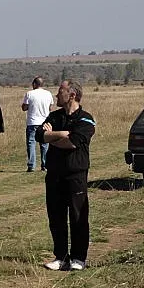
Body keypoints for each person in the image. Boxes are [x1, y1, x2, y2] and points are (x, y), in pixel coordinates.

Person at [36, 81, 95, 271]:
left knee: (78, 216)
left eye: (60, 91)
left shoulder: (86, 119)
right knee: (56, 216)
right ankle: (60, 257)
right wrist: (60, 133)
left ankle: (78, 257)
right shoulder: (54, 116)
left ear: (72, 95)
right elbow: (39, 135)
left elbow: (74, 142)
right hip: (54, 174)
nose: (56, 94)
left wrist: (51, 137)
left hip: (75, 174)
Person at [22, 76, 55, 171]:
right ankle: (45, 165)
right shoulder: (48, 94)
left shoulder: (29, 94)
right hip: (44, 122)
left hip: (32, 122)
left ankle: (31, 165)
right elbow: (50, 107)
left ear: (34, 84)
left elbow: (24, 107)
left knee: (31, 143)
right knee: (44, 144)